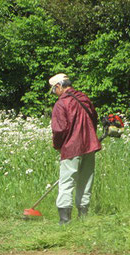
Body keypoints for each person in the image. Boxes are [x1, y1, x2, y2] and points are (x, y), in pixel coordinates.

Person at [49, 73, 101, 224]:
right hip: (90, 145)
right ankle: (83, 217)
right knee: (86, 181)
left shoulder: (61, 104)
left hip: (71, 147)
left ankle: (65, 220)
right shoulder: (84, 98)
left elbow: (59, 129)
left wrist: (57, 145)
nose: (54, 94)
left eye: (53, 90)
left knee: (66, 182)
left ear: (59, 86)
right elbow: (94, 119)